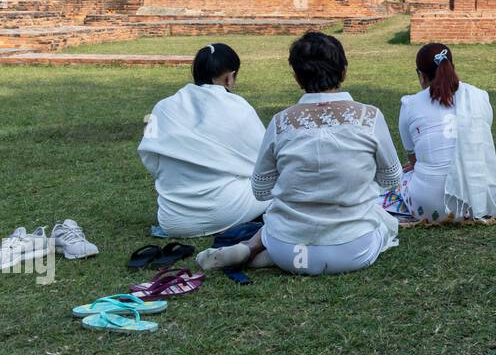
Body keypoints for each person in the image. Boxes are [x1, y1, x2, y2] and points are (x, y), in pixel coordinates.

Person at [196, 31, 403, 275]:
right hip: (352, 250)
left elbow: (261, 190)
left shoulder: (281, 122)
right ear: (344, 72)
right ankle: (265, 252)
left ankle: (250, 249)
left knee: (283, 217)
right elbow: (392, 180)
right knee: (386, 220)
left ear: (297, 77)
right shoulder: (368, 117)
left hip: (289, 249)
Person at [138, 43, 267, 238]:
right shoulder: (239, 108)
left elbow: (151, 160)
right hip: (226, 210)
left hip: (174, 221)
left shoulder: (162, 108)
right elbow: (265, 161)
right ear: (230, 77)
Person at [386, 42, 496, 224]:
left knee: (401, 177)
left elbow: (414, 161)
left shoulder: (410, 104)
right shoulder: (480, 96)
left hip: (428, 207)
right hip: (477, 202)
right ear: (453, 68)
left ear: (420, 75)